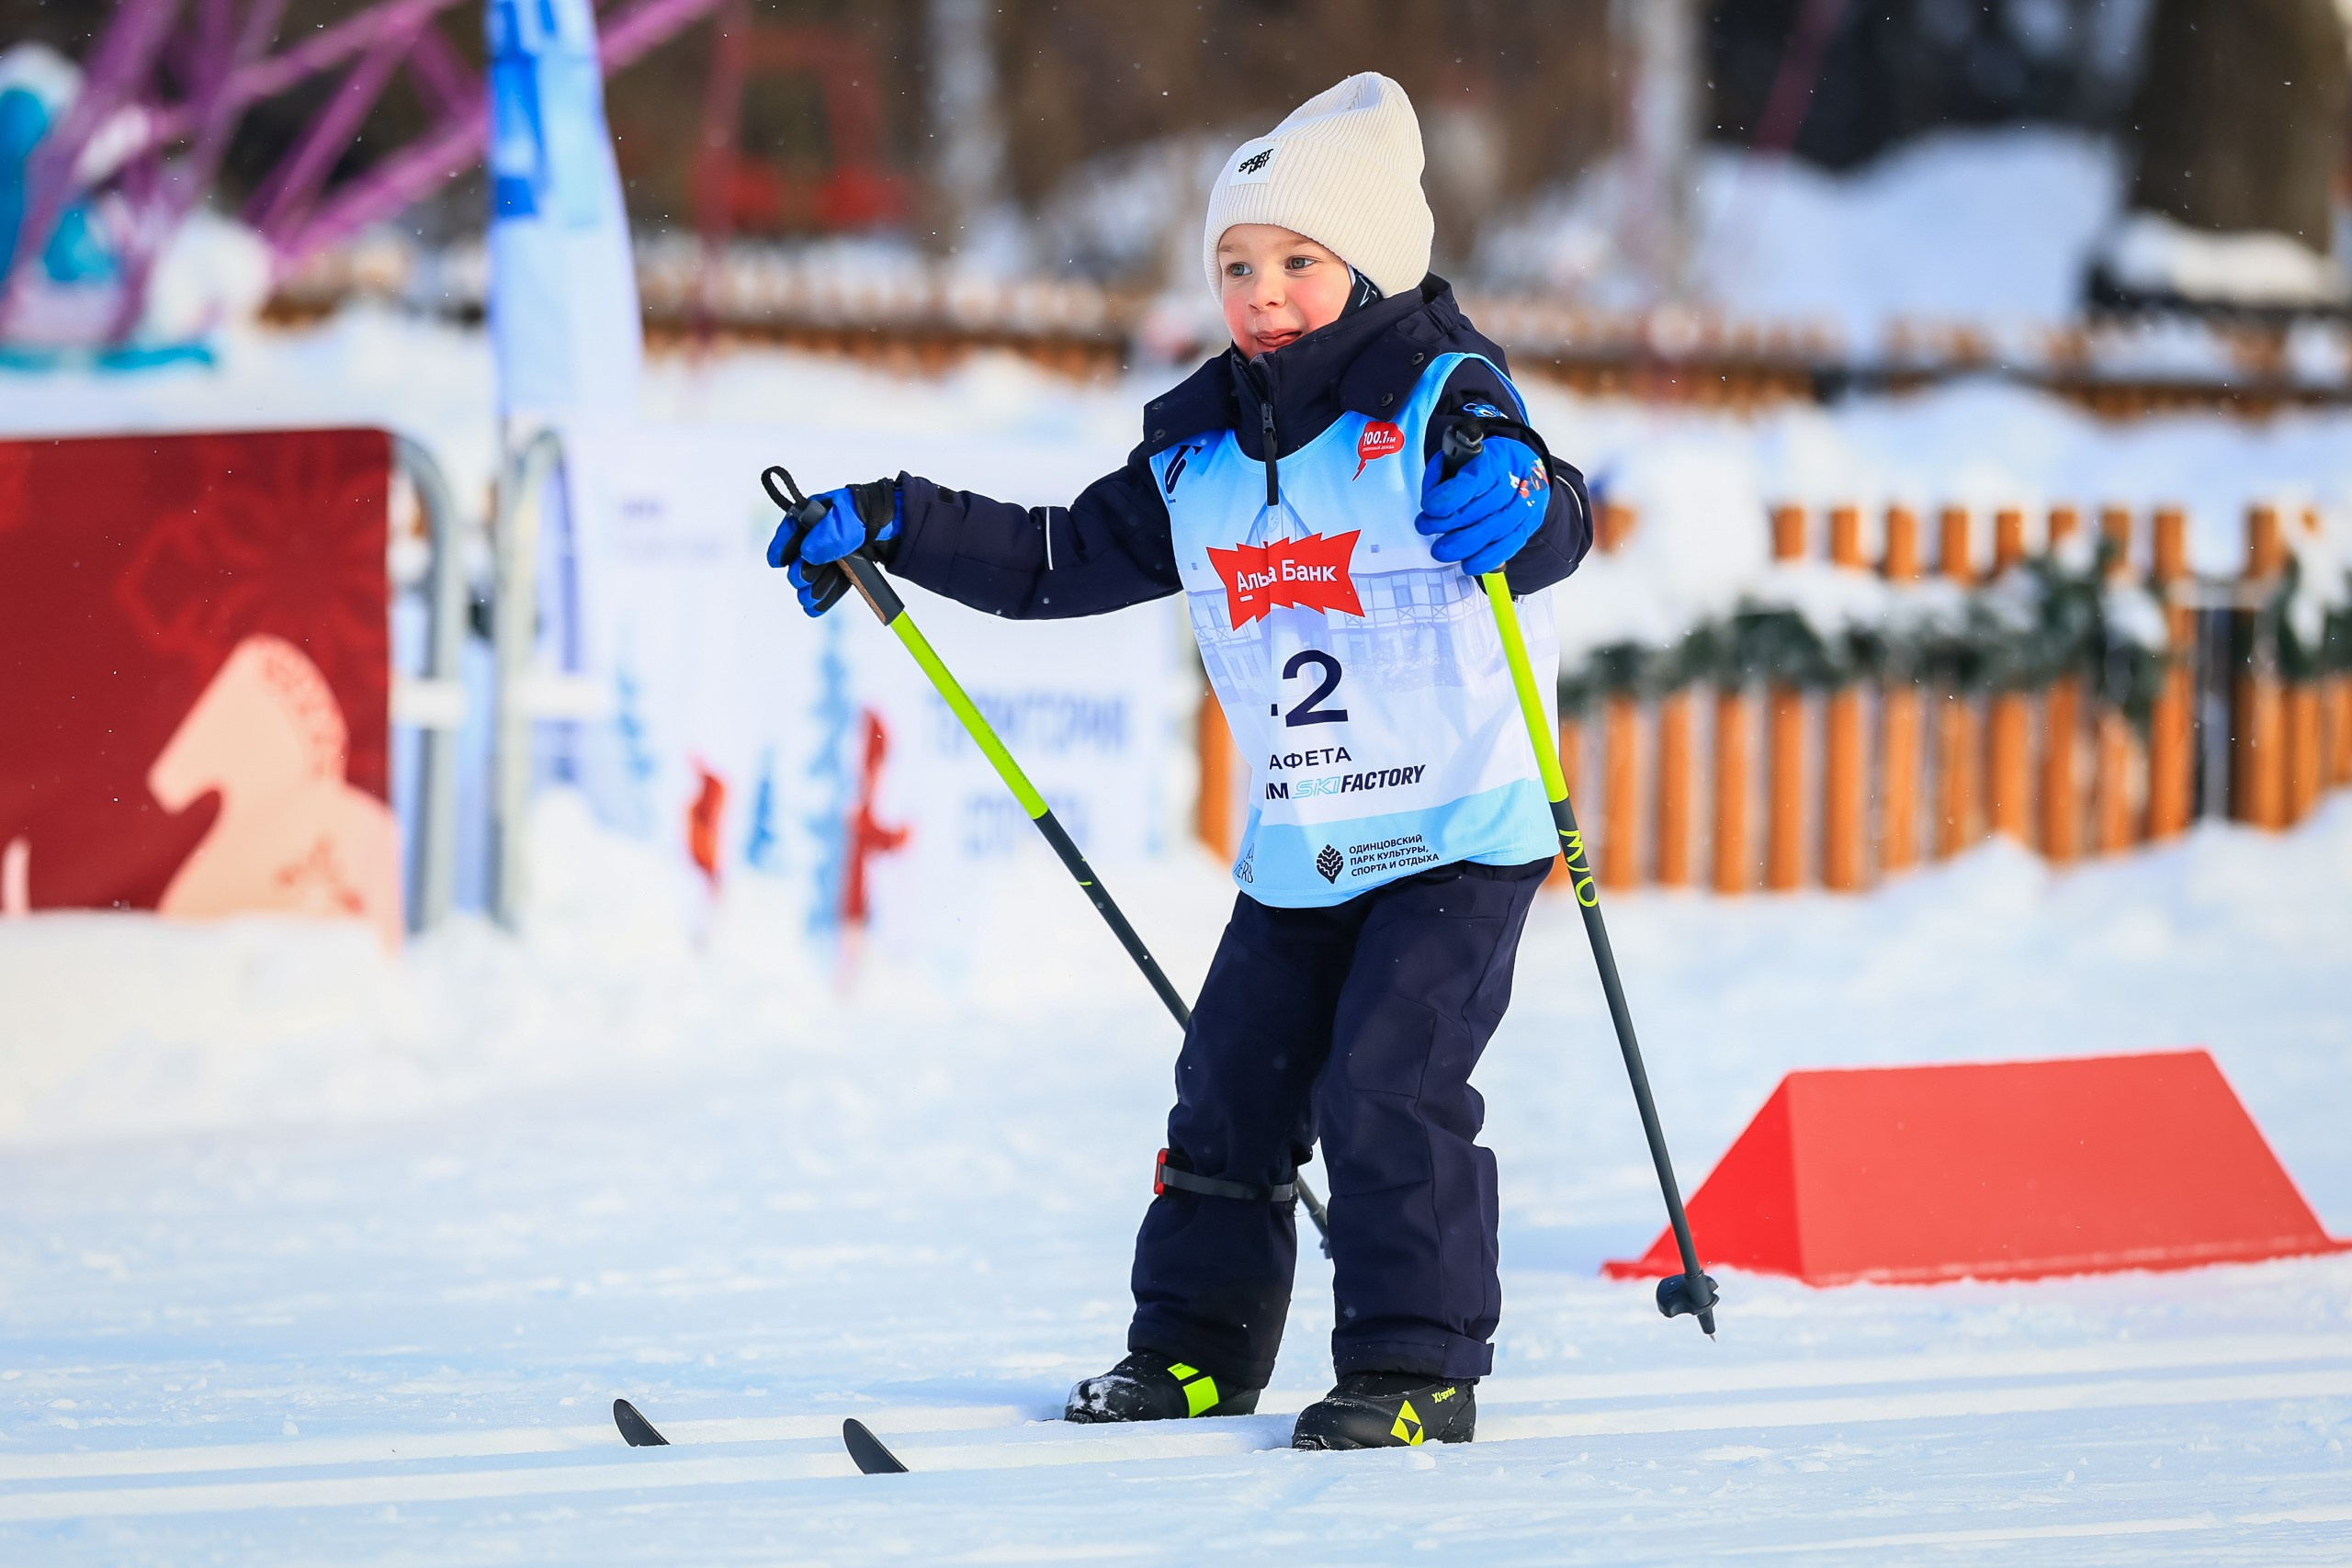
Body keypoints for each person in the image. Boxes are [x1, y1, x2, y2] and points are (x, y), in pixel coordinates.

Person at [766, 72, 1592, 1450]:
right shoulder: (1199, 451)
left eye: (1298, 262)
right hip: (1308, 835)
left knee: (1385, 1078)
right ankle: (1200, 1353)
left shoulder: (1443, 393)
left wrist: (1523, 498)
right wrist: (893, 521)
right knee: (1230, 1085)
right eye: (1236, 265)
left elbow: (1551, 513)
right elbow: (1051, 561)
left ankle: (1414, 1366)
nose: (1262, 292)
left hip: (1460, 823)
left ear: (1372, 265)